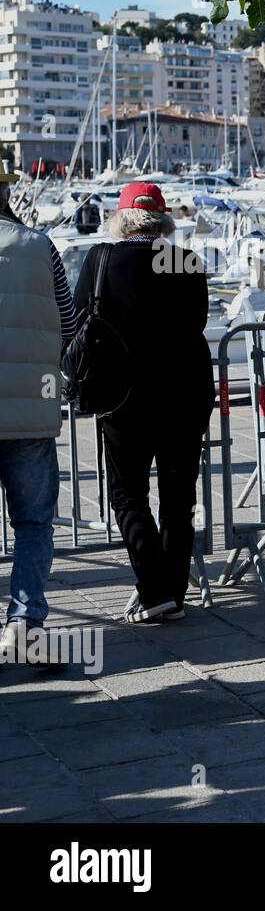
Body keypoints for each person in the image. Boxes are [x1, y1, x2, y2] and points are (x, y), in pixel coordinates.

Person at [72, 183, 214, 623]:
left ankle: (155, 591)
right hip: (185, 393)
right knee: (178, 497)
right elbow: (198, 322)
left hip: (124, 396)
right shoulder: (185, 261)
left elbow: (78, 317)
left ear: (121, 217)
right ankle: (170, 592)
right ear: (162, 218)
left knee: (127, 493)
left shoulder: (102, 259)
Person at [0, 166, 78, 663]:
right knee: (32, 524)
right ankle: (23, 629)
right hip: (29, 409)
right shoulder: (38, 244)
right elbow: (68, 321)